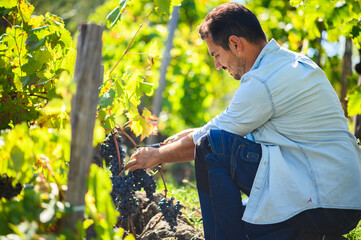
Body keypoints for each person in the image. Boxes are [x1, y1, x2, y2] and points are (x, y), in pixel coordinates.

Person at [125, 3, 361, 240]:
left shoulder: (263, 81)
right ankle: (307, 234)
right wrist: (182, 138)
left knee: (210, 147)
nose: (217, 65)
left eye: (216, 55)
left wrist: (157, 156)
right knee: (247, 220)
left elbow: (210, 142)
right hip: (341, 200)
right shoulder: (288, 65)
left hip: (322, 201)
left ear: (236, 44)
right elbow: (223, 129)